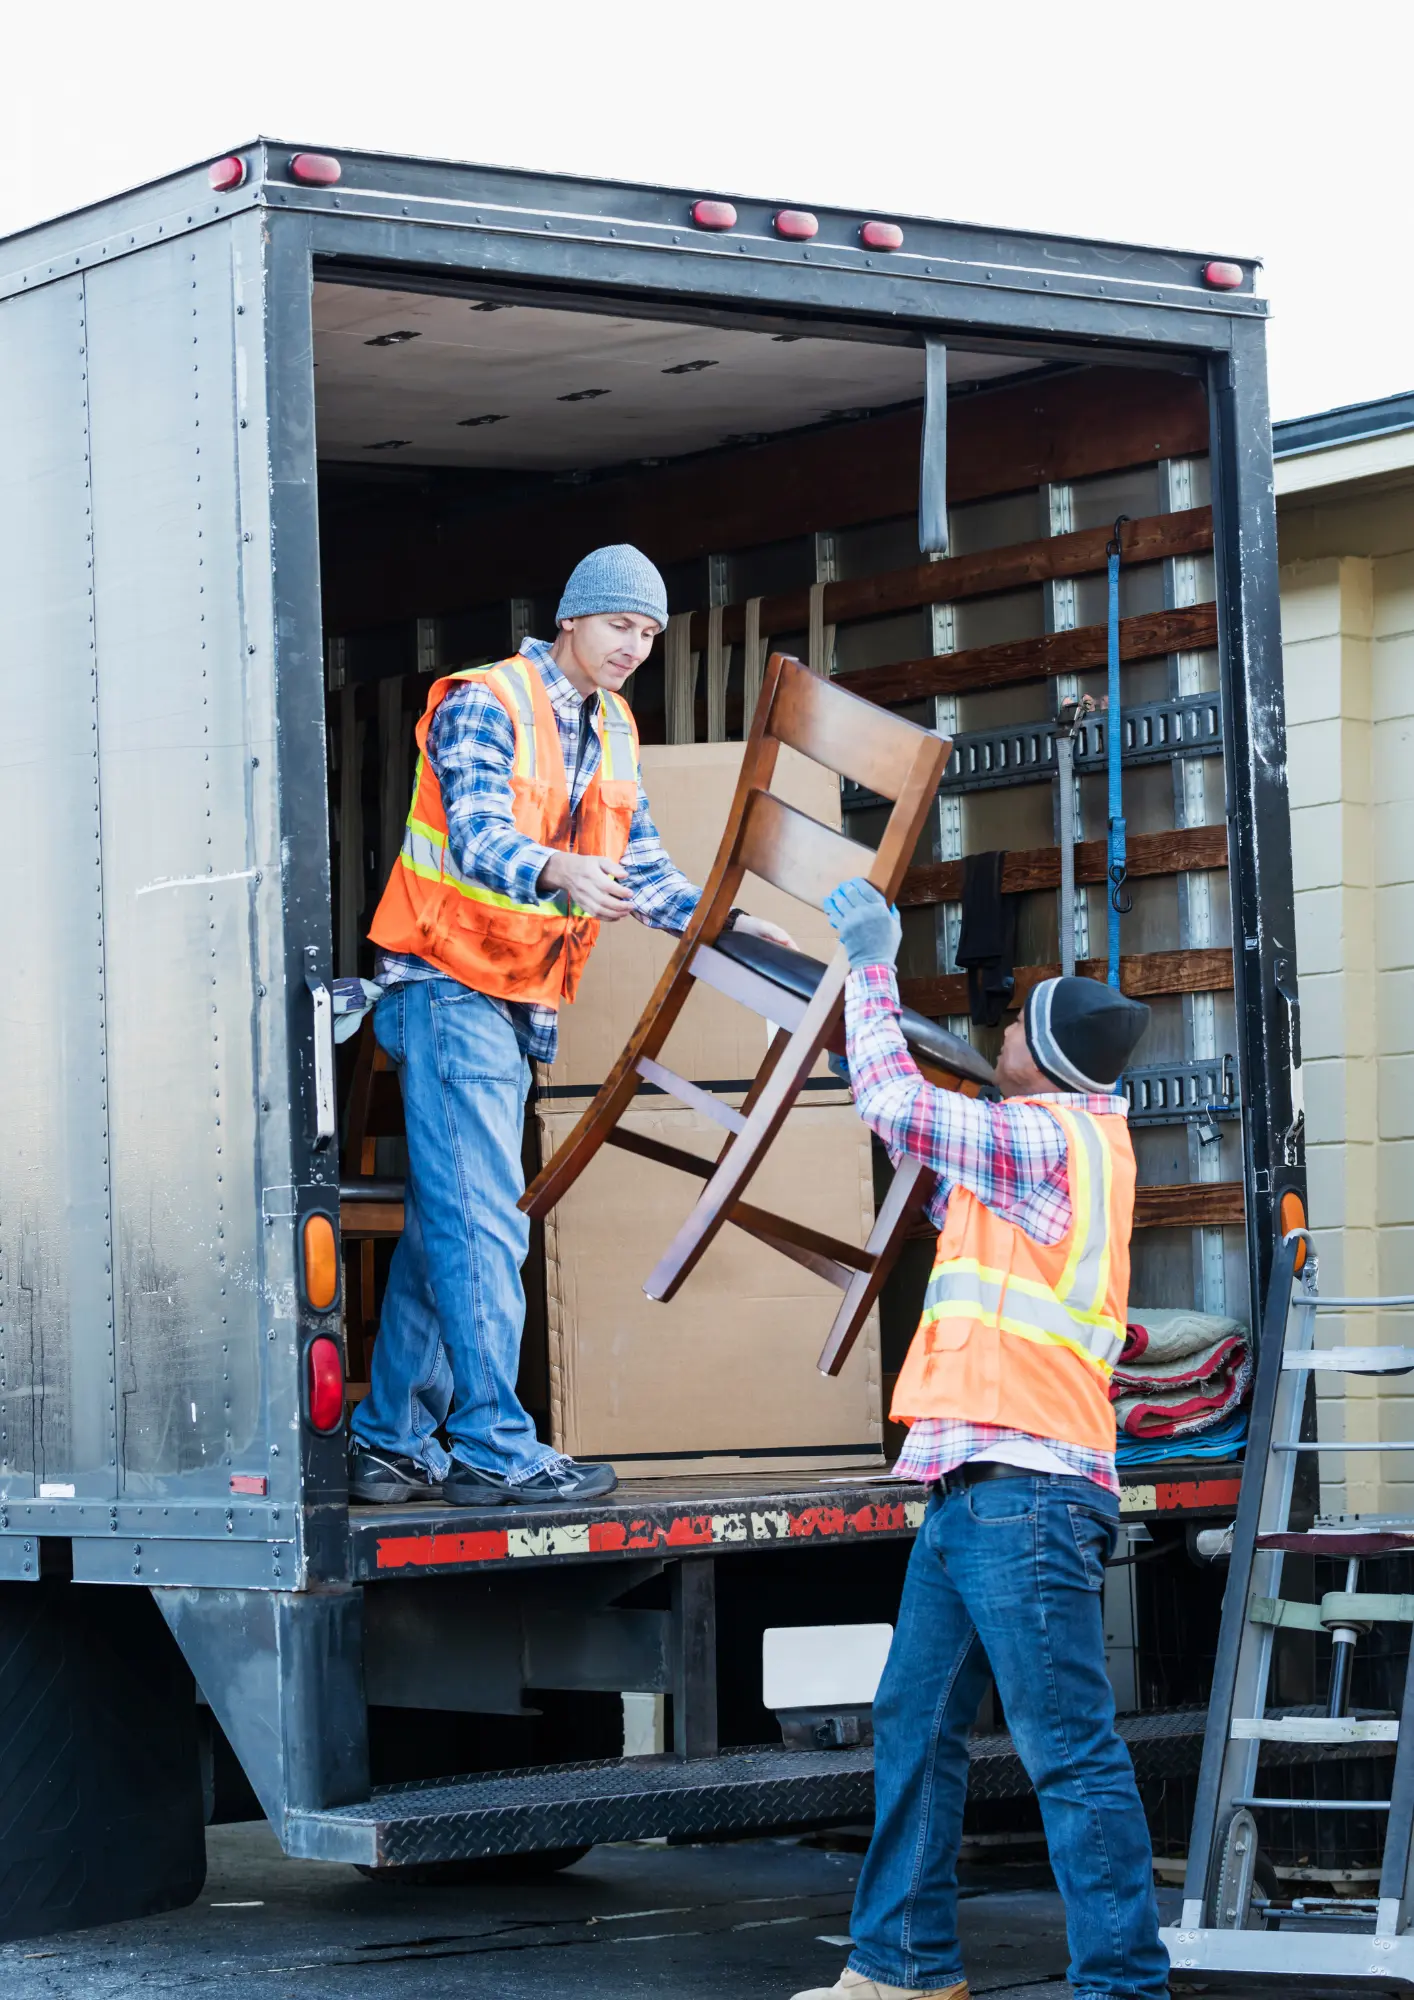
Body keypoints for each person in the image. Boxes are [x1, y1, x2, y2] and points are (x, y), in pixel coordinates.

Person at [347, 545, 790, 1508]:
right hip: (445, 980)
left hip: (512, 999)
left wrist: (727, 923)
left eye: (650, 633)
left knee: (448, 1225)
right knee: (488, 1227)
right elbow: (475, 831)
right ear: (573, 619)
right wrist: (557, 871)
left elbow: (647, 868)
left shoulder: (616, 728)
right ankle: (492, 1444)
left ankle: (386, 1438)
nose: (636, 646)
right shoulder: (485, 699)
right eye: (621, 625)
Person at [793, 877, 1168, 2000]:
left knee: (1069, 1753)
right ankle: (901, 1965)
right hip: (974, 1490)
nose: (998, 1030)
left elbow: (893, 1106)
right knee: (914, 1719)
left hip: (1027, 1493)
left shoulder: (1045, 1137)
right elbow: (955, 1202)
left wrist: (870, 964)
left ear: (1043, 1061)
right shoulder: (1056, 1143)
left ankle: (1122, 1984)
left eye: (1012, 1025)